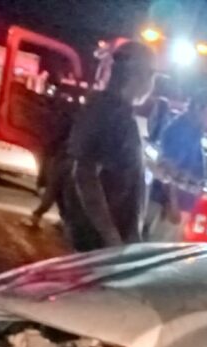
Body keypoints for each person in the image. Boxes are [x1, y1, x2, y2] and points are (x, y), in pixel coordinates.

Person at [62, 41, 156, 251]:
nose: (152, 82)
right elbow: (85, 174)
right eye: (151, 74)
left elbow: (118, 162)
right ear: (135, 75)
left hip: (112, 239)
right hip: (99, 242)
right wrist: (111, 236)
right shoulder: (108, 112)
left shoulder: (118, 112)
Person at [146, 92, 207, 241]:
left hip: (177, 206)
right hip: (168, 209)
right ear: (198, 108)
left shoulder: (192, 132)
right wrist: (173, 205)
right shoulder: (181, 131)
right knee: (160, 252)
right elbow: (168, 170)